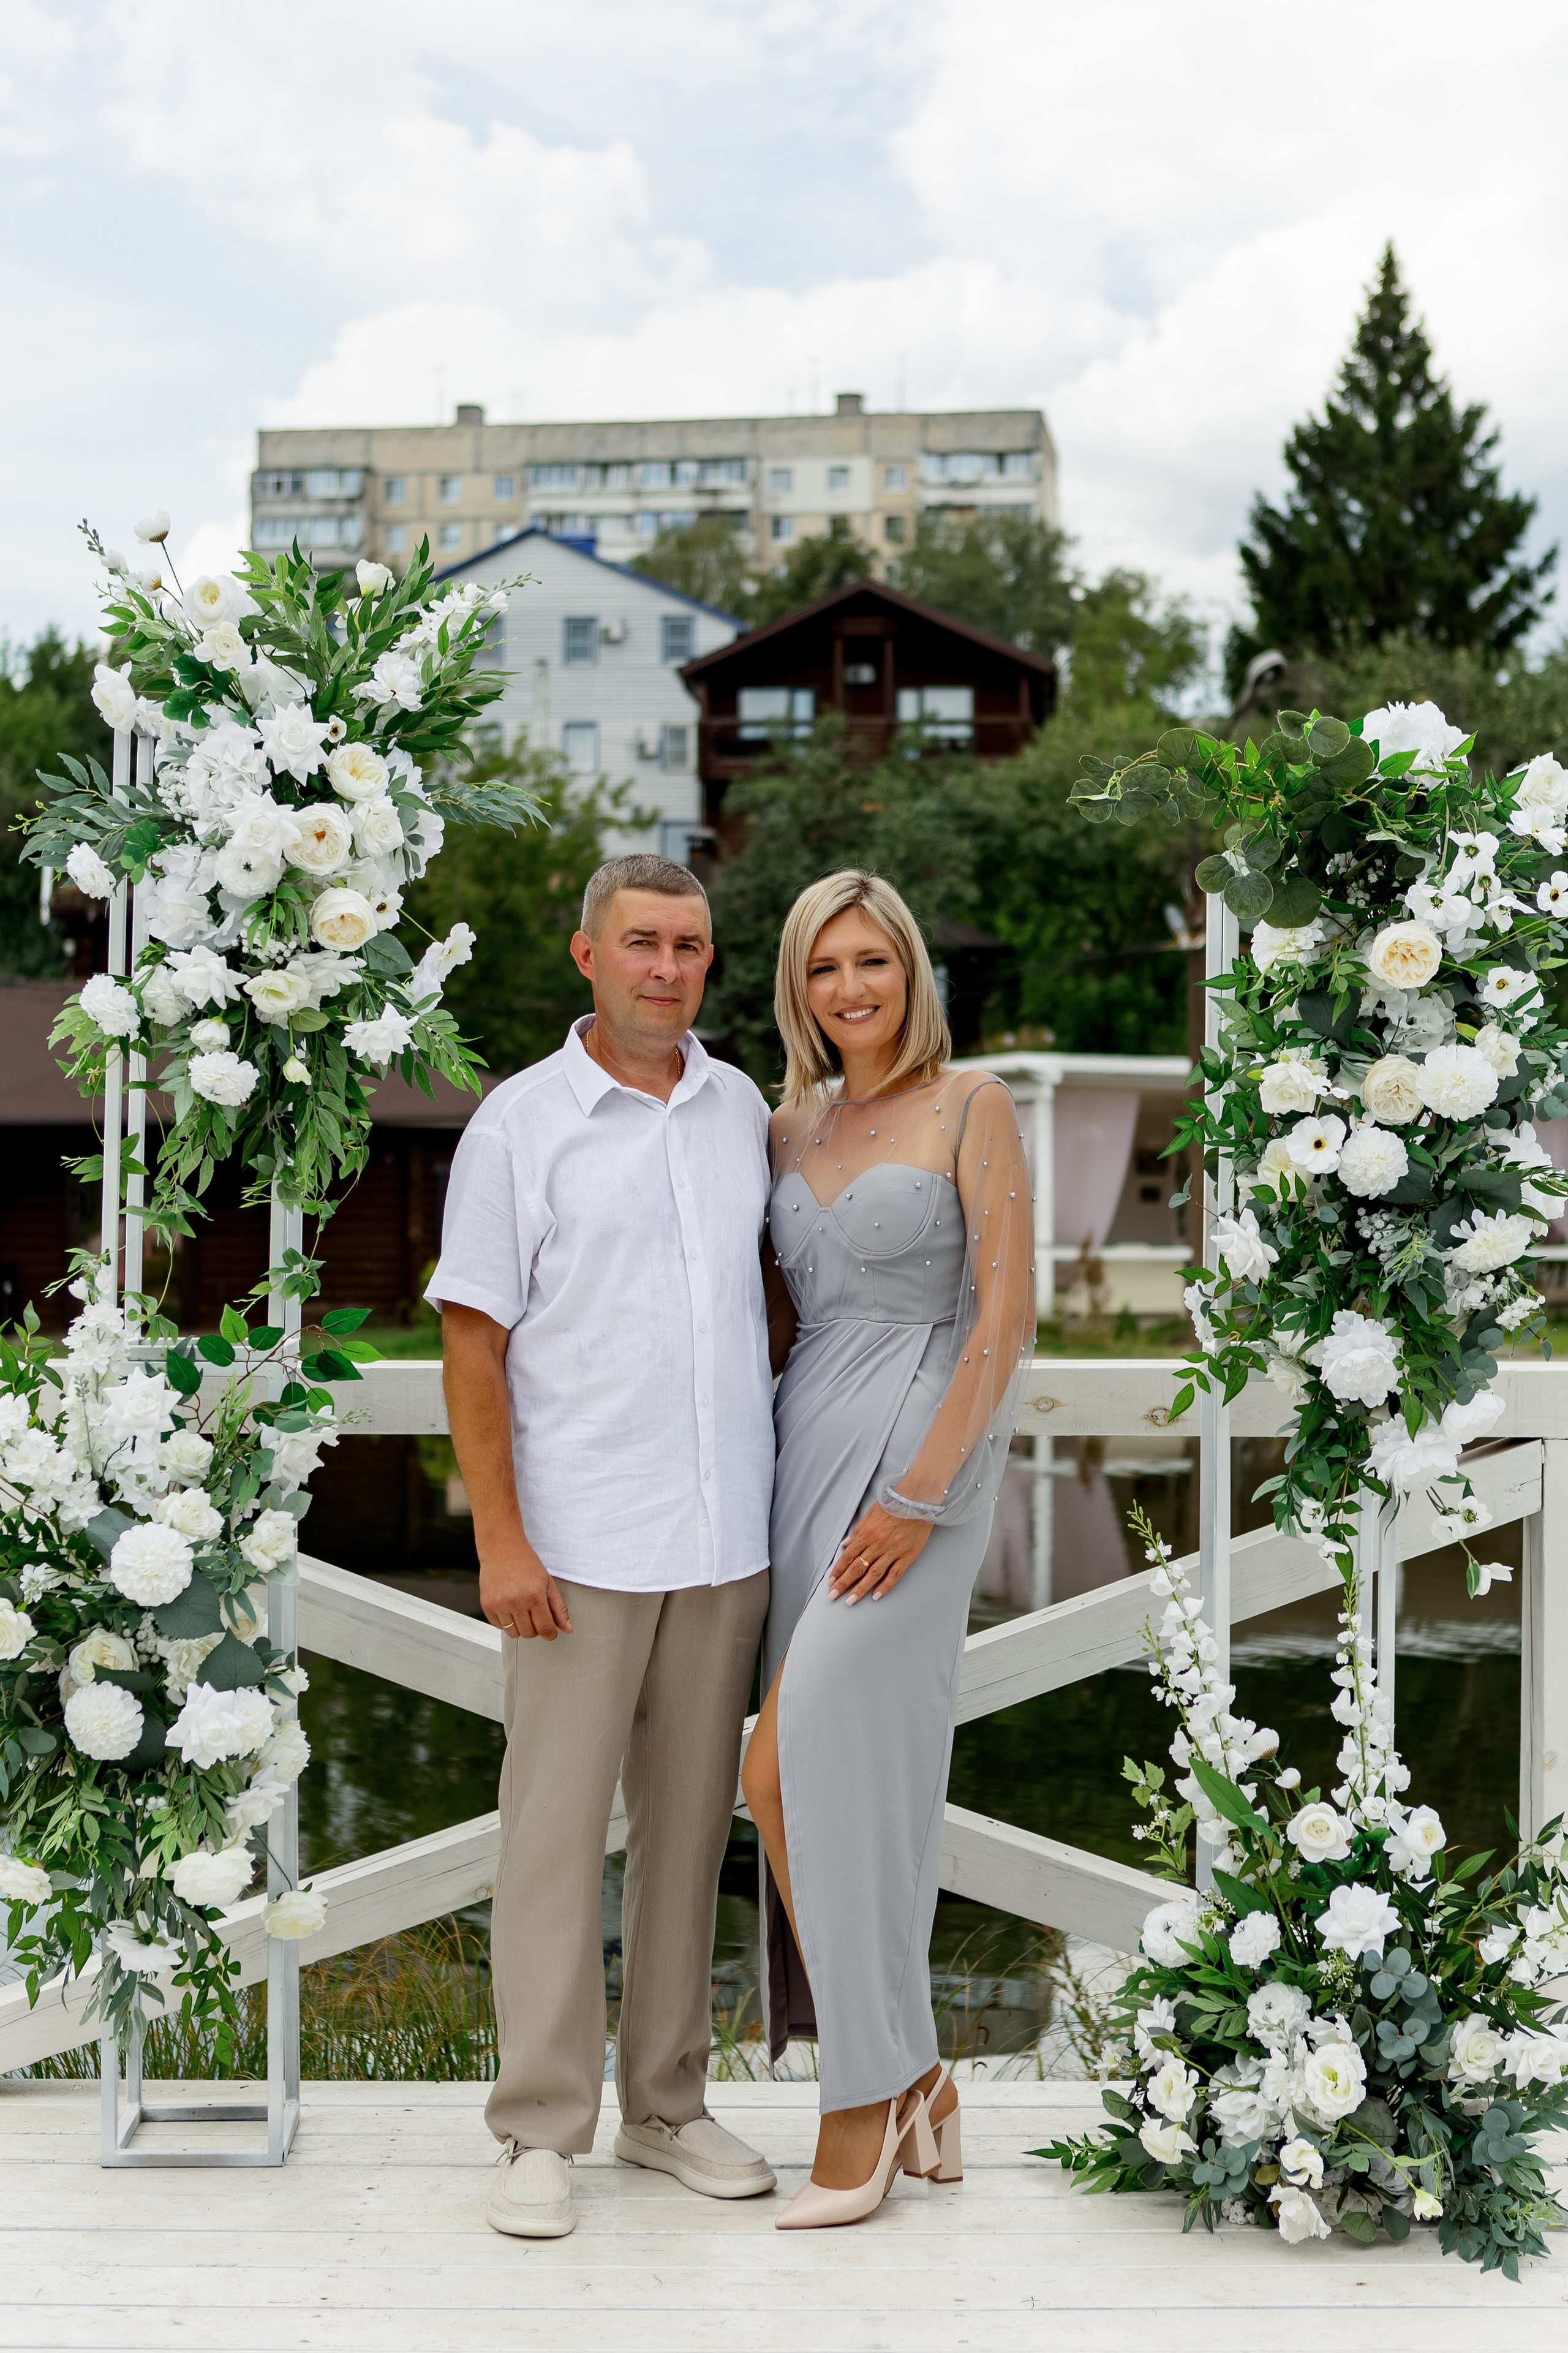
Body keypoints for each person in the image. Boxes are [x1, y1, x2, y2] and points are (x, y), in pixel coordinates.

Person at [428, 853, 778, 2240]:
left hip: (721, 1537)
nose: (666, 968)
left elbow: (774, 1302)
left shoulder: (740, 1104)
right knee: (552, 1838)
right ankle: (537, 2124)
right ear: (587, 955)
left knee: (693, 1838)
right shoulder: (521, 1126)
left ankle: (668, 2106)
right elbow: (472, 1345)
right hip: (572, 1542)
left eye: (688, 946)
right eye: (640, 942)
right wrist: (499, 1540)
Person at [741, 870, 1035, 2229]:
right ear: (798, 988)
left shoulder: (973, 1107)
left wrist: (920, 1492)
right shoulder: (784, 1122)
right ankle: (916, 2067)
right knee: (795, 1776)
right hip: (805, 1451)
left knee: (788, 1760)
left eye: (871, 961)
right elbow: (772, 1322)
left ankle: (861, 2094)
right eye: (822, 968)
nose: (850, 988)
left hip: (923, 1453)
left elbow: (1002, 1314)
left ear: (909, 969)